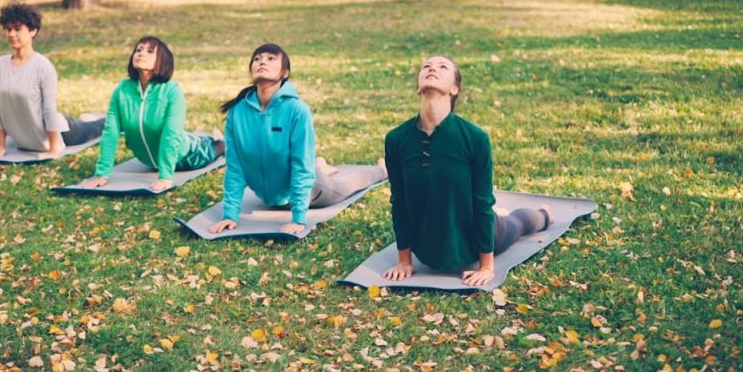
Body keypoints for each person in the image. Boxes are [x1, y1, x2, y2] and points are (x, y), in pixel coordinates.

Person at [382, 56, 554, 286]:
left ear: (454, 88)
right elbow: (400, 201)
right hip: (428, 248)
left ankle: (543, 214)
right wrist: (404, 261)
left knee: (517, 224)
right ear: (417, 87)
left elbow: (481, 203)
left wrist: (486, 267)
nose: (432, 68)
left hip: (475, 240)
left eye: (443, 67)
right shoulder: (396, 139)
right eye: (426, 66)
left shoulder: (475, 138)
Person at [209, 44, 387, 235]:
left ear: (285, 73)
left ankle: (381, 170)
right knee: (306, 165)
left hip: (313, 192)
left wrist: (299, 218)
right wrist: (229, 215)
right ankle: (320, 164)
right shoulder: (237, 112)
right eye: (257, 58)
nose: (262, 62)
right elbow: (235, 167)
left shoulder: (296, 110)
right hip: (271, 198)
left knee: (347, 185)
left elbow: (301, 166)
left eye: (271, 59)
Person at [82, 36, 223, 192]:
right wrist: (102, 174)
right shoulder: (122, 90)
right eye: (138, 50)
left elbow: (171, 135)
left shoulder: (171, 91)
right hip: (149, 160)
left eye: (150, 51)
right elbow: (110, 132)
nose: (141, 53)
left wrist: (165, 176)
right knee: (195, 137)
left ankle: (220, 141)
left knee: (214, 147)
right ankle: (211, 137)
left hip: (187, 156)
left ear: (162, 61)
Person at [0, 1, 104, 159]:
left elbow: (49, 111)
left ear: (33, 31)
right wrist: (0, 147)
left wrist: (53, 150)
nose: (11, 34)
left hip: (63, 134)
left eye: (17, 29)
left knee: (96, 127)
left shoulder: (43, 67)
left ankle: (109, 117)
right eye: (8, 29)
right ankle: (88, 116)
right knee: (85, 122)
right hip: (27, 138)